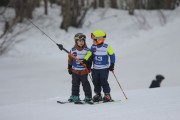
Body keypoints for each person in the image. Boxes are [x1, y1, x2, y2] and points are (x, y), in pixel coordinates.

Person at [83, 30, 115, 102]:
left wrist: (112, 64)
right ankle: (98, 94)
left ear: (100, 39)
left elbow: (112, 55)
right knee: (96, 81)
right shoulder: (93, 47)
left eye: (94, 39)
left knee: (103, 81)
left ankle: (107, 95)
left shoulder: (106, 47)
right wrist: (85, 59)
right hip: (95, 69)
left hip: (104, 69)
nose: (93, 41)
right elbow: (89, 53)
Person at [65, 33, 92, 103]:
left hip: (83, 71)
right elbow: (70, 59)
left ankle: (88, 96)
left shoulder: (87, 50)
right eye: (79, 41)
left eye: (83, 41)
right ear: (76, 41)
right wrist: (69, 68)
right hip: (75, 71)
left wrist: (88, 68)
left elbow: (90, 60)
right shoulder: (73, 50)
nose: (81, 42)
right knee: (75, 84)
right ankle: (75, 96)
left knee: (85, 84)